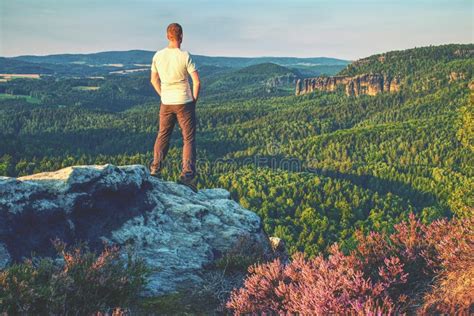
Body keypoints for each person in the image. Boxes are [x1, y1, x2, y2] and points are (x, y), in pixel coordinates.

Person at [149, 22, 201, 192]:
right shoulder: (185, 56)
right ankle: (187, 176)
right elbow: (197, 81)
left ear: (167, 36)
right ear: (181, 37)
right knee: (188, 139)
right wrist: (193, 99)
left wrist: (162, 94)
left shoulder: (158, 56)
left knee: (163, 135)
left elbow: (153, 80)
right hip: (184, 102)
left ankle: (155, 169)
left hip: (166, 102)